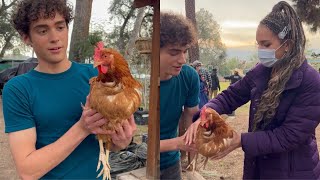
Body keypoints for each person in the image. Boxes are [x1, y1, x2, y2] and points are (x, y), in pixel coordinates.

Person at [186, 1, 320, 179]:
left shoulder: (310, 81)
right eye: (258, 44)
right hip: (258, 166)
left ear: (287, 45)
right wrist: (207, 112)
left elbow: (289, 136)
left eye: (266, 44)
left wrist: (241, 140)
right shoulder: (261, 72)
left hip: (293, 171)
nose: (260, 50)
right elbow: (231, 95)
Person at [2, 0, 135, 179]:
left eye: (60, 27)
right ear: (26, 38)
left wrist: (122, 141)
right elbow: (28, 171)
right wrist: (82, 128)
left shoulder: (95, 78)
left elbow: (111, 141)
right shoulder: (18, 89)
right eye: (43, 30)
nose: (54, 37)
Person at [160, 12, 200, 179]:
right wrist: (177, 143)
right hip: (140, 161)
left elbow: (191, 118)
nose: (183, 59)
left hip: (171, 163)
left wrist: (192, 168)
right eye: (174, 52)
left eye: (184, 51)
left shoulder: (189, 76)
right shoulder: (139, 86)